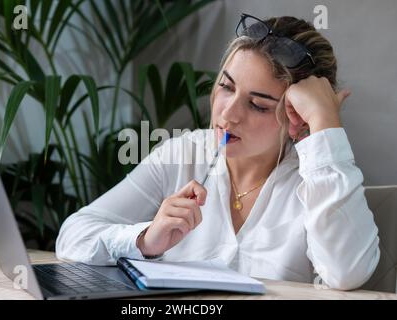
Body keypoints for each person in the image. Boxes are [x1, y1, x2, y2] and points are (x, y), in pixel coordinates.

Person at [56, 14, 380, 290]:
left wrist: (324, 123)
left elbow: (346, 273)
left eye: (257, 104)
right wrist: (144, 240)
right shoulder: (183, 154)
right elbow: (72, 236)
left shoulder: (318, 179)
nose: (228, 114)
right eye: (226, 87)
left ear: (297, 113)